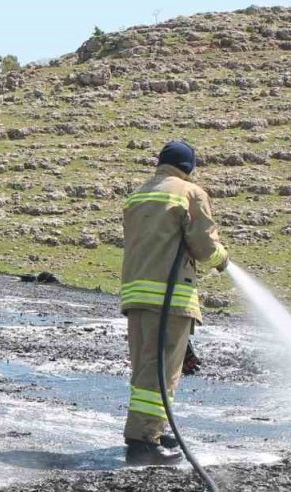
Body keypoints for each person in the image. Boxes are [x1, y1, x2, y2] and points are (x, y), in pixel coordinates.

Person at [120, 141, 229, 466]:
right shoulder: (189, 192)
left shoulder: (139, 194)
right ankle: (142, 445)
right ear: (189, 166)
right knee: (161, 373)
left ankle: (152, 430)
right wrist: (223, 258)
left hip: (136, 295)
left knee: (145, 368)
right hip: (168, 298)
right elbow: (204, 246)